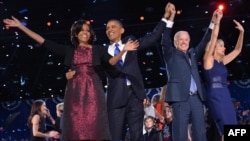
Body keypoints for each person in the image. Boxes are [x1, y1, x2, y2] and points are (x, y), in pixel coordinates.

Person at [3, 16, 138, 140]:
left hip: (93, 90)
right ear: (75, 33)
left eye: (87, 30)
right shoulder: (70, 50)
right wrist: (21, 26)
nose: (85, 32)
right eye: (81, 30)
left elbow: (111, 62)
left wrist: (123, 50)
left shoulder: (98, 49)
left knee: (94, 122)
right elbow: (44, 42)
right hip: (75, 91)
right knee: (76, 123)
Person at [104, 2, 175, 141]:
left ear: (122, 30)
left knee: (137, 135)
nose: (109, 29)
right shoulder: (103, 51)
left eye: (113, 26)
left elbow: (153, 37)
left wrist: (165, 16)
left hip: (135, 95)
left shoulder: (131, 43)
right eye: (107, 28)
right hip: (115, 96)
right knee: (116, 136)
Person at [160, 3, 221, 141]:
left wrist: (213, 22)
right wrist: (172, 17)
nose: (184, 42)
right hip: (180, 99)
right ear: (175, 42)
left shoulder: (193, 54)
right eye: (180, 40)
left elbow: (206, 39)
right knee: (180, 133)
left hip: (196, 99)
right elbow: (164, 40)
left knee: (200, 133)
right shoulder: (170, 54)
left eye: (186, 40)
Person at [203, 8, 244, 140]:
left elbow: (237, 50)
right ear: (215, 48)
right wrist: (217, 21)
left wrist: (242, 33)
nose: (225, 48)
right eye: (222, 46)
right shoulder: (208, 60)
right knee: (225, 129)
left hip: (225, 96)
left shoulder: (222, 62)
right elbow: (214, 36)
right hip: (215, 97)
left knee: (234, 130)